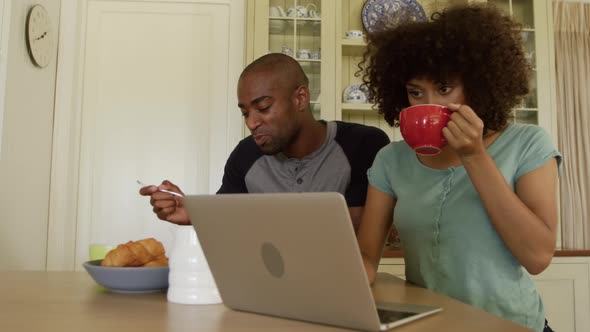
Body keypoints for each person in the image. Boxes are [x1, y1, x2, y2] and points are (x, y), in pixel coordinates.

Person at [356, 4, 561, 332]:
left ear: (476, 86)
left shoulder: (528, 144)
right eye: (415, 92)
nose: (426, 104)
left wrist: (475, 156)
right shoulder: (390, 161)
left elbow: (538, 256)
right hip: (430, 326)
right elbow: (366, 260)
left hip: (512, 326)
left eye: (444, 88)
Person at [140, 53, 390, 231]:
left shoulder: (362, 145)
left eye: (263, 107)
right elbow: (226, 221)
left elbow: (353, 235)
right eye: (245, 112)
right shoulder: (245, 154)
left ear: (300, 98)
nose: (251, 123)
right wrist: (193, 213)